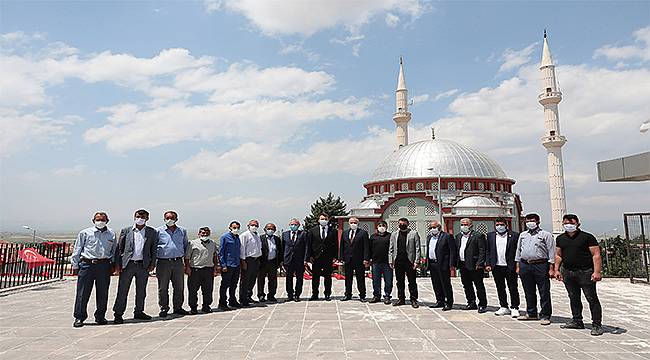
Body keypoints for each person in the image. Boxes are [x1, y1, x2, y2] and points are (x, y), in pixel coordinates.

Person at [555, 214, 604, 336]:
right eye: (566, 223)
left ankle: (597, 324)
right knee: (573, 297)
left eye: (571, 222)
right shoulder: (560, 238)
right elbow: (558, 255)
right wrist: (556, 269)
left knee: (591, 298)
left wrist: (597, 271)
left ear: (578, 224)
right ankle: (577, 320)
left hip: (585, 272)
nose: (568, 225)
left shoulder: (587, 237)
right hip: (568, 272)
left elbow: (596, 255)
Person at [71, 211, 118, 328]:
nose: (100, 222)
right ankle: (79, 317)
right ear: (93, 221)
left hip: (104, 265)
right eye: (98, 219)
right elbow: (77, 249)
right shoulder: (85, 233)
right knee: (83, 292)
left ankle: (100, 316)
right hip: (87, 265)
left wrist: (113, 265)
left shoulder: (111, 234)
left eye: (103, 220)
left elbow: (113, 251)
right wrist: (75, 265)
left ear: (107, 221)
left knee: (103, 292)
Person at [113, 209, 158, 324]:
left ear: (147, 218)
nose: (140, 218)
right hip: (128, 265)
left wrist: (152, 264)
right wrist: (118, 265)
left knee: (141, 291)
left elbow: (154, 250)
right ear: (134, 217)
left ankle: (139, 311)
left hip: (143, 265)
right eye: (138, 216)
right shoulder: (126, 231)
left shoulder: (152, 232)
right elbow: (119, 249)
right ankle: (118, 313)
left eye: (143, 217)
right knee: (123, 290)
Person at [515, 213, 555, 326]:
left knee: (544, 291)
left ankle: (545, 315)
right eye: (527, 221)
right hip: (525, 264)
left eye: (532, 220)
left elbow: (551, 252)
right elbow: (518, 250)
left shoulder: (545, 235)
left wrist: (551, 268)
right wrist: (518, 266)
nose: (529, 223)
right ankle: (531, 313)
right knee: (529, 290)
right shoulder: (523, 235)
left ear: (538, 221)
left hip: (540, 265)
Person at [156, 211, 189, 317]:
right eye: (167, 218)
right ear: (164, 219)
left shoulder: (182, 231)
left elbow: (185, 246)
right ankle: (164, 308)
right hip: (163, 262)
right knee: (163, 287)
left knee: (179, 286)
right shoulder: (158, 231)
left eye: (172, 218)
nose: (170, 220)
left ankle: (178, 307)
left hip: (178, 262)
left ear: (176, 219)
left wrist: (186, 264)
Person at [485, 217, 520, 317]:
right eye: (497, 225)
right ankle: (503, 306)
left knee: (512, 287)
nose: (499, 227)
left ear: (506, 225)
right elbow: (488, 251)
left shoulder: (514, 236)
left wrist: (517, 265)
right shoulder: (490, 236)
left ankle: (515, 307)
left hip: (510, 266)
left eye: (501, 224)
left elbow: (518, 251)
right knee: (500, 287)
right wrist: (488, 264)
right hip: (497, 266)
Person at [455, 218, 488, 313]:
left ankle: (482, 304)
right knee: (467, 285)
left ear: (471, 225)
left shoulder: (478, 236)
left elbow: (482, 250)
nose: (463, 226)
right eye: (462, 224)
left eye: (466, 224)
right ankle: (471, 302)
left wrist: (480, 263)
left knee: (479, 286)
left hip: (475, 265)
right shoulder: (458, 236)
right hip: (463, 265)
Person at [185, 227, 219, 314]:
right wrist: (187, 267)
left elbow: (215, 256)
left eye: (207, 233)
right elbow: (187, 257)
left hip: (208, 269)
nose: (205, 235)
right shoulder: (192, 243)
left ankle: (206, 306)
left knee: (208, 289)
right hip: (195, 269)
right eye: (203, 233)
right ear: (199, 234)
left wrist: (215, 268)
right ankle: (193, 307)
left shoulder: (212, 243)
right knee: (193, 290)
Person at [389, 217, 421, 308]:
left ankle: (414, 299)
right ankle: (401, 299)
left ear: (408, 224)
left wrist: (416, 261)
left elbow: (417, 248)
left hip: (409, 261)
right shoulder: (394, 234)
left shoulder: (413, 234)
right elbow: (391, 249)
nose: (402, 225)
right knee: (399, 281)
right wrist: (391, 260)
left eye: (404, 224)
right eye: (400, 224)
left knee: (412, 281)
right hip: (398, 261)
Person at [306, 213, 338, 301]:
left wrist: (335, 256)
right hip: (316, 257)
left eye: (325, 219)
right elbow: (309, 245)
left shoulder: (333, 231)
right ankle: (315, 294)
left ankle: (327, 294)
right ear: (318, 220)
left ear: (328, 220)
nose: (323, 220)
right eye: (322, 219)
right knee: (315, 277)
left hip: (328, 257)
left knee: (328, 276)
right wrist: (309, 257)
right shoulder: (312, 231)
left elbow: (335, 244)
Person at [426, 220, 456, 311]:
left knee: (445, 283)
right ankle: (439, 301)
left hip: (443, 264)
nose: (432, 229)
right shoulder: (429, 237)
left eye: (434, 227)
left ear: (439, 227)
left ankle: (448, 302)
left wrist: (451, 264)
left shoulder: (447, 236)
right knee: (436, 283)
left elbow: (452, 251)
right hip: (432, 263)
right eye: (430, 227)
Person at [339, 217, 370, 301]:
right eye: (351, 222)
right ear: (349, 224)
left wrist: (366, 258)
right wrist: (341, 258)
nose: (353, 224)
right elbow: (342, 246)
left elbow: (366, 247)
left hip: (359, 260)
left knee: (360, 278)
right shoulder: (345, 233)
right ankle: (348, 294)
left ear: (358, 224)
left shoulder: (363, 233)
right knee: (348, 278)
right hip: (348, 259)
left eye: (354, 223)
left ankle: (362, 295)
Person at [282, 218, 308, 302]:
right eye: (292, 224)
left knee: (299, 278)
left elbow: (306, 247)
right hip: (288, 260)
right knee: (288, 278)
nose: (293, 226)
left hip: (299, 260)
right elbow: (282, 247)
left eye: (295, 224)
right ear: (289, 225)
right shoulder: (285, 234)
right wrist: (282, 259)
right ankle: (290, 294)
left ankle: (297, 294)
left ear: (299, 225)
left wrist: (305, 259)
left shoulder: (303, 234)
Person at [218, 221, 242, 310]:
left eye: (238, 228)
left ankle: (232, 300)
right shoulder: (225, 237)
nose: (236, 229)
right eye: (234, 227)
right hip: (228, 265)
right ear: (230, 228)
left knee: (234, 284)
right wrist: (223, 265)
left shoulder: (237, 237)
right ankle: (222, 303)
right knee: (225, 285)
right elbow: (220, 252)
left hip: (236, 264)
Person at [257, 223, 283, 302]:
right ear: (265, 229)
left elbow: (280, 250)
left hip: (273, 262)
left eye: (272, 229)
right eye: (268, 228)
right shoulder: (260, 238)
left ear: (274, 230)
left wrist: (280, 262)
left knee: (273, 280)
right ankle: (261, 295)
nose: (270, 230)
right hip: (263, 262)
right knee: (261, 280)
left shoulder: (277, 239)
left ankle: (271, 295)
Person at [239, 219, 262, 306]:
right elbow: (242, 249)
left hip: (256, 260)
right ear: (248, 226)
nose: (254, 227)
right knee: (245, 280)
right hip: (248, 260)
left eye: (256, 225)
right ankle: (243, 298)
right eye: (252, 225)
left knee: (252, 279)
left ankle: (249, 296)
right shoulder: (245, 235)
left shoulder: (257, 235)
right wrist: (243, 261)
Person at [369, 221, 393, 305]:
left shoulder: (390, 236)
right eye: (380, 225)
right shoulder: (373, 237)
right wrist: (368, 260)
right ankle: (376, 296)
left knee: (388, 280)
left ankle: (387, 296)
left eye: (383, 225)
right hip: (376, 262)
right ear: (377, 227)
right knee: (375, 280)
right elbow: (369, 249)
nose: (381, 227)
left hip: (387, 263)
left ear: (386, 227)